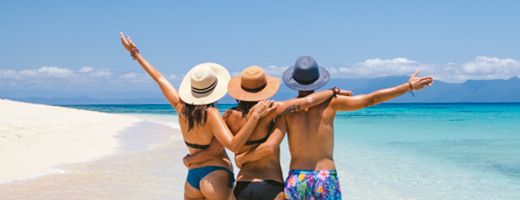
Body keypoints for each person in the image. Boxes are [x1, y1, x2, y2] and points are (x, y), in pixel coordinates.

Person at [184, 66, 352, 200]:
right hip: (271, 185)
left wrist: (191, 159)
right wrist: (332, 92)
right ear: (263, 89)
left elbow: (214, 149)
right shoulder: (271, 110)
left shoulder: (228, 116)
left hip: (243, 186)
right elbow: (305, 102)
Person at [278, 56, 433, 200]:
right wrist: (407, 86)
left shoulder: (285, 110)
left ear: (294, 81)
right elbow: (371, 99)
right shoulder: (332, 102)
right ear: (318, 79)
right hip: (325, 176)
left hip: (297, 178)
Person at [120, 32, 245, 200]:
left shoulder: (180, 108)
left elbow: (159, 78)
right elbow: (231, 144)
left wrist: (135, 53)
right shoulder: (211, 113)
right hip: (216, 173)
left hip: (192, 177)